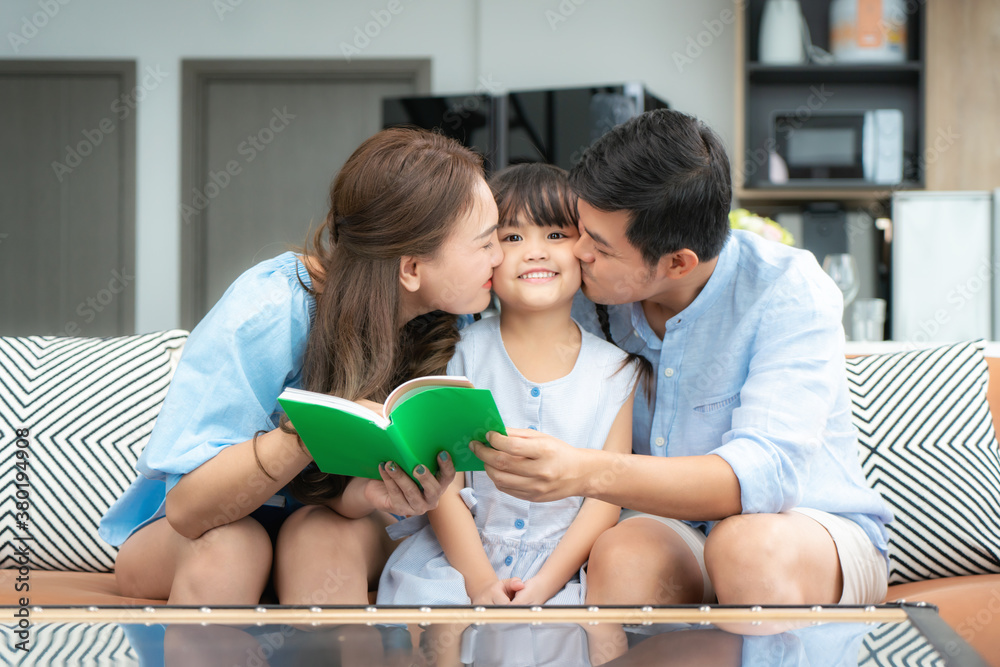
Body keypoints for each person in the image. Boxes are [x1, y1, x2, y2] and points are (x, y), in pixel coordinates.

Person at [470, 109, 893, 607]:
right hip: (672, 535)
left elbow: (759, 478)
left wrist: (584, 471)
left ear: (677, 263)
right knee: (626, 554)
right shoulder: (578, 291)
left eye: (600, 247)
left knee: (746, 548)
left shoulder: (787, 290)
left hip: (808, 533)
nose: (576, 252)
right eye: (578, 229)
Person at [98, 127, 504, 604]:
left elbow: (340, 500)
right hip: (198, 531)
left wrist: (379, 495)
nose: (501, 256)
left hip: (324, 522)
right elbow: (189, 511)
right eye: (486, 243)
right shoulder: (273, 307)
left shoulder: (456, 315)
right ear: (411, 268)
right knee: (235, 547)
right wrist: (310, 432)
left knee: (319, 538)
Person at [377, 163, 639, 606]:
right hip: (460, 565)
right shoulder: (460, 353)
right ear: (487, 257)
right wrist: (479, 582)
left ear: (586, 249)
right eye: (512, 238)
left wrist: (547, 584)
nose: (535, 252)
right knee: (439, 624)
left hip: (564, 574)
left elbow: (605, 497)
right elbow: (445, 487)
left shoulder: (616, 371)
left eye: (555, 235)